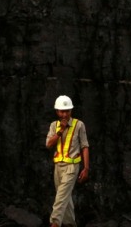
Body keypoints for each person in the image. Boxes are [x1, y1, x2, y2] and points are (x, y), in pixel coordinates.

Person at [45, 95, 90, 227]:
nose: (64, 114)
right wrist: (61, 131)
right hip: (58, 167)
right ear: (57, 112)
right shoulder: (54, 126)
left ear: (71, 111)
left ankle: (54, 223)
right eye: (61, 111)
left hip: (72, 167)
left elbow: (84, 146)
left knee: (60, 199)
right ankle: (70, 224)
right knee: (65, 198)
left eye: (67, 111)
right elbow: (48, 144)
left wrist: (86, 168)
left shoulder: (79, 125)